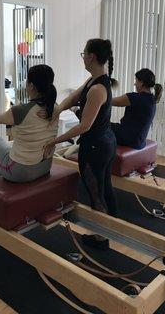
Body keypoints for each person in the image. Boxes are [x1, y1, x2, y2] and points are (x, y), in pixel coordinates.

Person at [43, 38, 117, 250]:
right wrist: (57, 110)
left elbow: (84, 126)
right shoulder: (93, 80)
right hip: (104, 142)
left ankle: (102, 238)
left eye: (83, 53)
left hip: (96, 147)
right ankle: (112, 229)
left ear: (91, 56)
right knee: (105, 189)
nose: (82, 57)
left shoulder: (97, 89)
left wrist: (54, 142)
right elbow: (74, 96)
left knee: (96, 193)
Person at [0, 64, 58, 183]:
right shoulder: (55, 108)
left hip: (21, 172)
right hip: (44, 167)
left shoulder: (21, 110)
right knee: (6, 158)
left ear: (31, 86)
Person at [111, 68, 162, 149]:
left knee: (101, 125)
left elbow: (111, 102)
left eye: (136, 81)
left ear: (141, 82)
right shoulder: (152, 99)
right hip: (139, 141)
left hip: (128, 139)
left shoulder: (135, 98)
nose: (135, 84)